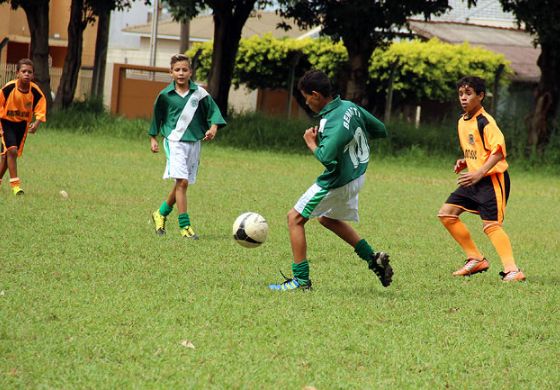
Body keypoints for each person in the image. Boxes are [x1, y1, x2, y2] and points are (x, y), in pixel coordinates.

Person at [269, 70, 393, 291]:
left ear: (316, 95)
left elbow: (326, 158)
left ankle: (301, 281)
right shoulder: (349, 106)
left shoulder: (330, 121)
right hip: (357, 175)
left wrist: (311, 143)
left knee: (294, 218)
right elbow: (380, 130)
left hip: (339, 180)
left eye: (306, 97)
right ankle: (373, 259)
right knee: (327, 219)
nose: (306, 102)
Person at [438, 76, 525, 282]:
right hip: (473, 179)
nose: (463, 98)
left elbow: (498, 151)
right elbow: (480, 150)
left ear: (481, 96)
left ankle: (513, 270)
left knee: (491, 226)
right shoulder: (462, 121)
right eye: (460, 94)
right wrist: (466, 161)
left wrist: (479, 172)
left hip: (492, 180)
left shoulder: (485, 121)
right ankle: (476, 259)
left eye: (468, 94)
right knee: (447, 214)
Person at [149, 53, 226, 239]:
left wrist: (213, 127)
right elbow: (156, 117)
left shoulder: (200, 93)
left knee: (181, 184)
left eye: (184, 69)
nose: (181, 73)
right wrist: (153, 138)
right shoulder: (165, 95)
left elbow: (214, 112)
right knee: (182, 182)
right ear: (171, 73)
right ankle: (185, 226)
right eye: (177, 70)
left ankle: (160, 213)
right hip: (174, 142)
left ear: (190, 72)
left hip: (194, 142)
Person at [0, 58, 47, 195]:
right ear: (17, 74)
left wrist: (37, 123)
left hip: (22, 126)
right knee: (12, 151)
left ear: (33, 75)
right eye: (24, 71)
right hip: (6, 122)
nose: (27, 74)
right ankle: (16, 186)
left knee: (6, 156)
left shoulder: (35, 92)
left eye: (29, 72)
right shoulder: (8, 88)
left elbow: (41, 108)